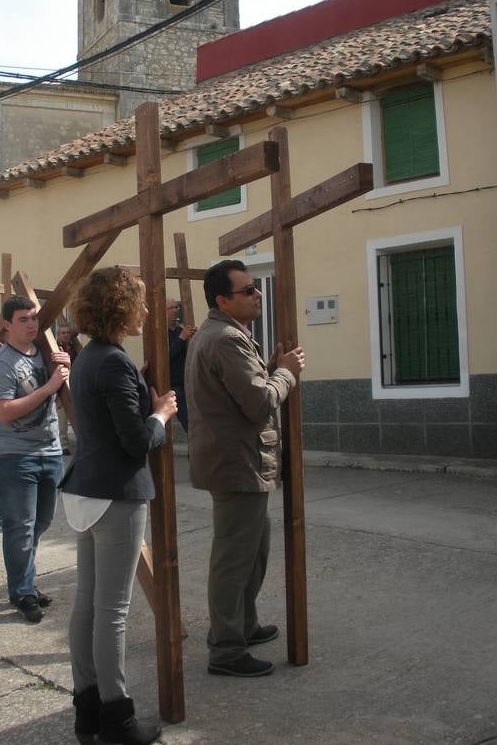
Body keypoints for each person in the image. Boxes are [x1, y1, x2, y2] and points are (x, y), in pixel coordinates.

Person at [61, 267, 177, 745]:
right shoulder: (114, 362)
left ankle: (88, 711)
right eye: (141, 303)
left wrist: (138, 388)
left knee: (87, 605)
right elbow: (135, 441)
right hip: (114, 494)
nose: (148, 311)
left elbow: (109, 414)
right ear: (120, 308)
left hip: (85, 489)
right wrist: (162, 414)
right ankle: (118, 720)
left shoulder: (90, 356)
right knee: (111, 611)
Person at [185, 259, 305, 679]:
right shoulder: (225, 339)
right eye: (248, 290)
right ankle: (226, 649)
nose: (257, 295)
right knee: (234, 559)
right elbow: (257, 403)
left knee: (254, 551)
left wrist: (271, 371)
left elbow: (242, 393)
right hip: (236, 462)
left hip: (240, 461)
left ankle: (243, 626)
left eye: (256, 288)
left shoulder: (226, 334)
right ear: (222, 300)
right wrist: (286, 375)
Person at [0, 295, 70, 623]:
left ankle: (26, 582)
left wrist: (65, 367)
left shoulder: (46, 353)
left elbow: (63, 386)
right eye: (23, 319)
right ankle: (22, 591)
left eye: (34, 318)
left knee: (42, 522)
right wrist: (50, 386)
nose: (32, 324)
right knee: (20, 528)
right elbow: (4, 412)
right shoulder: (2, 363)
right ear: (7, 324)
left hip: (49, 451)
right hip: (12, 456)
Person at [166, 297, 196, 434]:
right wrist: (181, 339)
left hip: (188, 383)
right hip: (173, 386)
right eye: (171, 307)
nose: (175, 310)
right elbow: (165, 357)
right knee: (189, 424)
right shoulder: (159, 333)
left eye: (177, 307)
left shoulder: (180, 331)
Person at [55, 322, 81, 454]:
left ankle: (81, 441)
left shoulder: (75, 348)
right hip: (60, 386)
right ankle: (63, 444)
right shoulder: (54, 348)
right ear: (58, 335)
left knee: (78, 413)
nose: (65, 335)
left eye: (67, 333)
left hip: (75, 385)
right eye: (63, 333)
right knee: (62, 416)